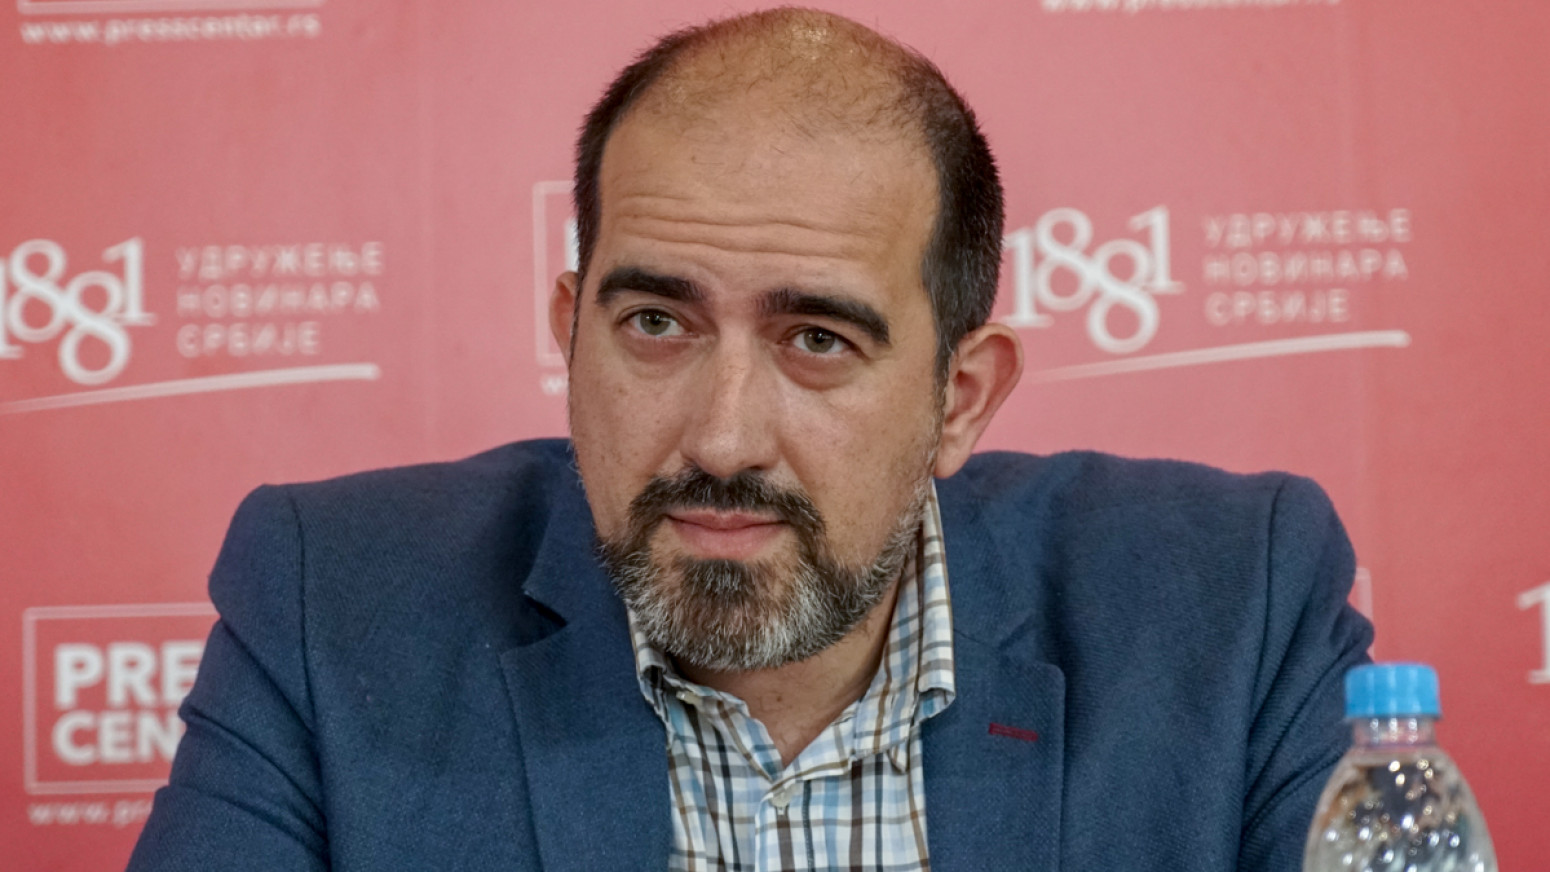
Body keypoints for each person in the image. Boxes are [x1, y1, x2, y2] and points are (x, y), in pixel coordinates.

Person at [127, 8, 1372, 871]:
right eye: (655, 323)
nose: (721, 436)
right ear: (570, 333)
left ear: (959, 397)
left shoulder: (1231, 606)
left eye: (815, 339)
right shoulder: (334, 602)